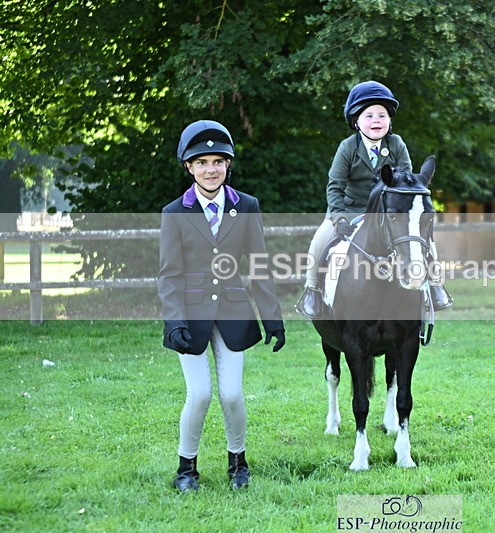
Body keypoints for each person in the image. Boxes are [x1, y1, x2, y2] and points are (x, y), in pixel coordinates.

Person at [158, 119, 286, 492]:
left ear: (228, 164)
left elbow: (259, 265)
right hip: (190, 315)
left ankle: (238, 463)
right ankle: (186, 468)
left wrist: (273, 319)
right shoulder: (174, 212)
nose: (210, 169)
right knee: (199, 394)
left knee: (231, 393)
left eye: (218, 161)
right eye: (201, 162)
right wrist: (173, 321)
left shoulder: (246, 206)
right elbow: (169, 274)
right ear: (188, 167)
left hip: (233, 310)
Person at [295, 80, 452, 318]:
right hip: (349, 211)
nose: (376, 120)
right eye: (368, 116)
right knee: (319, 240)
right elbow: (335, 187)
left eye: (382, 115)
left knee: (425, 241)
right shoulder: (347, 147)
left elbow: (406, 181)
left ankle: (437, 285)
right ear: (356, 122)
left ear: (389, 121)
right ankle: (312, 289)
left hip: (387, 213)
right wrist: (338, 220)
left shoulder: (396, 144)